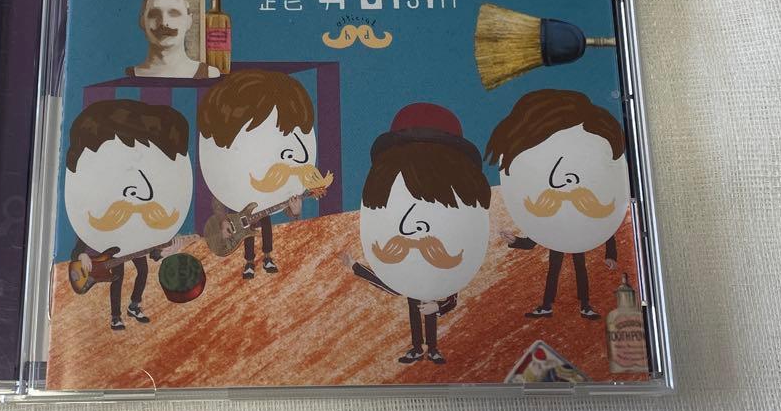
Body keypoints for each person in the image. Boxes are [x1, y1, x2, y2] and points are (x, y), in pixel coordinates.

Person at [352, 103, 491, 365]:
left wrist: (439, 307)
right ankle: (418, 347)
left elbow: (453, 294)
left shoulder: (451, 270)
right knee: (415, 314)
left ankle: (433, 348)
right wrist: (355, 267)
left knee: (426, 313)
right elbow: (388, 283)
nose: (410, 229)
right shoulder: (404, 274)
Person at [485, 89, 629, 319]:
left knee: (580, 268)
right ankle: (547, 305)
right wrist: (518, 241)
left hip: (580, 235)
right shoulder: (548, 206)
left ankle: (585, 304)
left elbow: (605, 222)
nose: (561, 180)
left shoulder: (593, 201)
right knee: (554, 269)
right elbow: (538, 232)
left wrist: (610, 253)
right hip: (557, 236)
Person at [64, 99, 192, 330]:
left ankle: (135, 305)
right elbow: (83, 235)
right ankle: (116, 315)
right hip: (113, 248)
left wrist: (164, 251)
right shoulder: (96, 209)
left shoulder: (146, 220)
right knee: (118, 277)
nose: (140, 192)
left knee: (142, 270)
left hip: (136, 242)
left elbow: (153, 249)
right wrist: (80, 254)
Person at [197, 69, 331, 280]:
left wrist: (295, 212)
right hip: (240, 212)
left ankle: (267, 257)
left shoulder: (276, 185)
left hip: (264, 207)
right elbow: (218, 199)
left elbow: (285, 207)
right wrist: (223, 220)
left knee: (266, 224)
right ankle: (249, 261)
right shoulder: (230, 179)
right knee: (248, 231)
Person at [126, 0, 219, 79]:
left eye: (174, 13)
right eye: (154, 14)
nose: (164, 22)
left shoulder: (210, 74)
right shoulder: (127, 77)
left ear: (189, 21)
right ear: (142, 21)